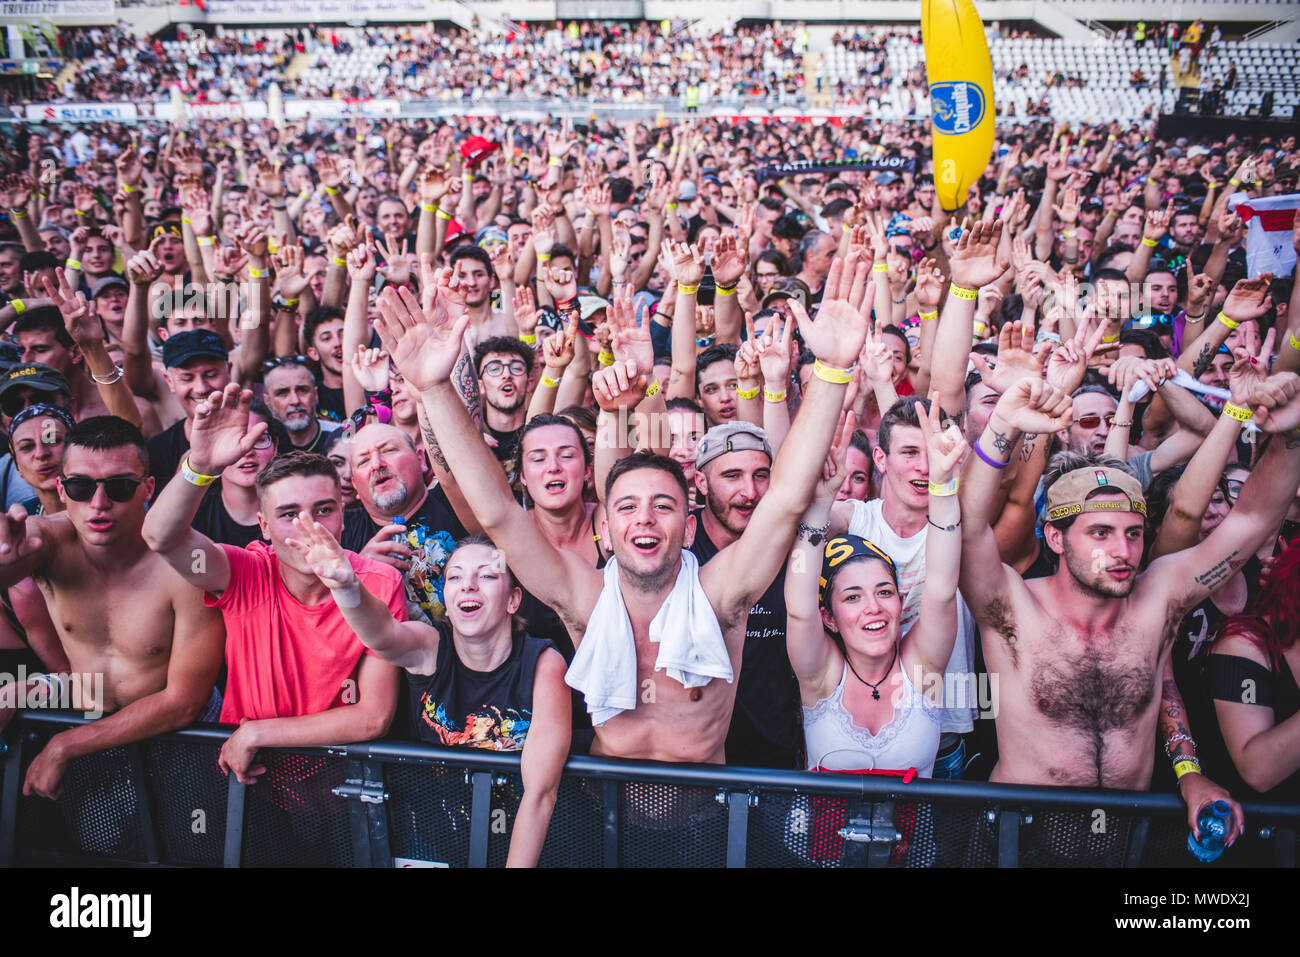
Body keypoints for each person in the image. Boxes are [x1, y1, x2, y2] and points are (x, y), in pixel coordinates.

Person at [376, 259, 873, 765]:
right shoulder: (584, 597)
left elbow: (787, 498)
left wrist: (831, 372)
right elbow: (499, 515)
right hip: (610, 816)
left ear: (688, 524)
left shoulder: (721, 595)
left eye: (663, 506)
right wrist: (435, 389)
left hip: (704, 820)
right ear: (607, 528)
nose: (645, 519)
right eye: (628, 507)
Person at [960, 371, 1300, 847]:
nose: (1123, 550)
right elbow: (967, 525)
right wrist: (1002, 425)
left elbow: (1253, 518)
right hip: (1021, 846)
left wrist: (1291, 437)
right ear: (1055, 538)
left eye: (1133, 533)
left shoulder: (1159, 599)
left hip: (1122, 847)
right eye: (1100, 533)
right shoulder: (1014, 608)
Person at [140, 386, 401, 786]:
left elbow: (374, 717)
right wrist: (200, 466)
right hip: (248, 784)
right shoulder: (245, 570)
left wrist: (260, 732)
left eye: (324, 510)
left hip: (344, 791)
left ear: (344, 517)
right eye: (288, 513)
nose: (308, 526)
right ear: (263, 526)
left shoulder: (380, 583)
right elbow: (161, 537)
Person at [286, 524, 569, 867]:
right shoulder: (430, 645)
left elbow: (540, 793)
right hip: (435, 845)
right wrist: (347, 587)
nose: (468, 584)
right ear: (447, 603)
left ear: (513, 600)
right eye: (455, 577)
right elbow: (384, 636)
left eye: (488, 576)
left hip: (524, 847)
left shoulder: (543, 663)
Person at [0, 415, 226, 799]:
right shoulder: (47, 543)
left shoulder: (187, 563)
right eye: (81, 487)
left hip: (182, 737)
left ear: (148, 488)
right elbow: (19, 549)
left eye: (119, 487)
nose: (99, 504)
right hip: (89, 713)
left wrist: (65, 745)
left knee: (192, 847)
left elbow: (184, 702)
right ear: (61, 488)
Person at [788, 399, 965, 775]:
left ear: (901, 602)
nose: (873, 606)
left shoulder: (922, 670)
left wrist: (944, 485)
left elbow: (942, 589)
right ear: (829, 618)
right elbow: (800, 602)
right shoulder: (821, 674)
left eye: (884, 592)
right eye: (852, 597)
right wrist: (820, 502)